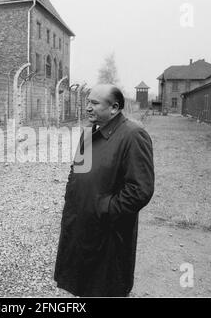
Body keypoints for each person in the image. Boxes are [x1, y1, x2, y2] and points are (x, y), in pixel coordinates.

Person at [54, 84, 155, 297]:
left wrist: (105, 209)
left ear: (114, 108)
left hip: (109, 232)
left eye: (94, 103)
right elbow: (76, 172)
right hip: (81, 223)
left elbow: (140, 190)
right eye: (88, 101)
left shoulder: (133, 135)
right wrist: (73, 199)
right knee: (83, 284)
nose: (88, 107)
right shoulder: (89, 134)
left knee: (106, 286)